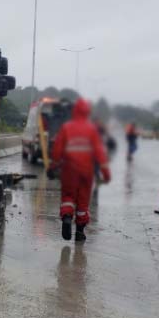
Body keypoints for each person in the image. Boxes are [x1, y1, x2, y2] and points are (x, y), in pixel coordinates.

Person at [47, 98, 110, 242]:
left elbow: (57, 151)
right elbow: (100, 152)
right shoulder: (92, 129)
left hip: (69, 169)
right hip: (87, 171)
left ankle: (67, 218)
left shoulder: (66, 127)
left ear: (75, 111)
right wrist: (105, 173)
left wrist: (53, 166)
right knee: (83, 201)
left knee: (68, 196)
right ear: (87, 112)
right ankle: (80, 231)